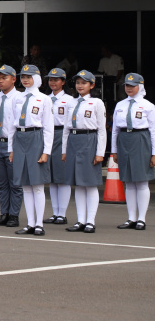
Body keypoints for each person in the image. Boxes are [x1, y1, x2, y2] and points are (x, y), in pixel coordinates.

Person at [9, 65, 54, 236]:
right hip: (20, 138)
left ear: (37, 78)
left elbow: (48, 127)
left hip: (36, 137)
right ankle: (29, 223)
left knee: (37, 185)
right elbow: (11, 124)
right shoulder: (17, 98)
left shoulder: (44, 99)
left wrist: (46, 151)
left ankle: (39, 224)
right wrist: (11, 149)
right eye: (23, 77)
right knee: (25, 185)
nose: (25, 80)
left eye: (29, 76)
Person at [62, 70, 106, 233]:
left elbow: (102, 130)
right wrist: (64, 149)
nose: (80, 86)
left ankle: (90, 221)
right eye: (78, 82)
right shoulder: (71, 103)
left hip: (89, 140)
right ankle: (80, 220)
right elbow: (66, 128)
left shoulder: (96, 103)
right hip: (74, 141)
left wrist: (100, 152)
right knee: (78, 184)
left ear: (92, 85)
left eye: (84, 83)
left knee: (90, 183)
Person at [111, 73, 155, 231]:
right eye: (127, 85)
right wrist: (114, 150)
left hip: (141, 139)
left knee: (142, 181)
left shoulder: (148, 106)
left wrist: (154, 153)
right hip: (124, 139)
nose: (129, 88)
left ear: (140, 86)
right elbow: (115, 130)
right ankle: (131, 218)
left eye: (132, 85)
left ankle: (141, 219)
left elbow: (153, 131)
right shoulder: (120, 105)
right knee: (128, 182)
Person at [0, 65, 23, 229]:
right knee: (1, 183)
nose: (1, 81)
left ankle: (14, 215)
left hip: (12, 143)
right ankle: (4, 213)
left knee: (15, 182)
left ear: (14, 79)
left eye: (4, 78)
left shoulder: (20, 98)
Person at [45, 68, 72, 225]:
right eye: (50, 79)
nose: (53, 82)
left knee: (62, 177)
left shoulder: (69, 100)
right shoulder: (45, 98)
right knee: (52, 178)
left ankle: (62, 213)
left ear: (63, 81)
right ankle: (55, 213)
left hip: (62, 135)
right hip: (48, 135)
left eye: (56, 79)